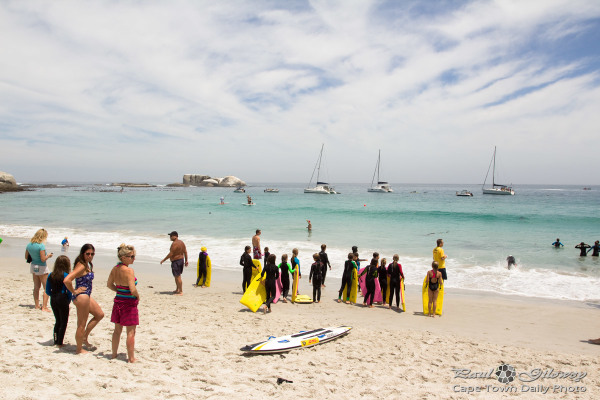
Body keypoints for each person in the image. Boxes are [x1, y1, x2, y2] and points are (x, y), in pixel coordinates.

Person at [64, 244, 104, 354]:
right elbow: (67, 280)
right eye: (88, 254)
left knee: (99, 314)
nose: (90, 256)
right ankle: (79, 349)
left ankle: (85, 337)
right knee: (81, 324)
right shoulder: (81, 265)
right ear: (83, 254)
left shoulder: (87, 264)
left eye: (92, 254)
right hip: (82, 297)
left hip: (86, 295)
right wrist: (74, 291)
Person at [107, 244, 140, 363]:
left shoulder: (115, 269)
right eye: (131, 256)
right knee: (131, 332)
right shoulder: (129, 271)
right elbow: (132, 289)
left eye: (134, 256)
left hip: (118, 301)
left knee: (117, 330)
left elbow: (109, 284)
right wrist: (137, 296)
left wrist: (119, 291)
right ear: (124, 257)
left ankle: (114, 354)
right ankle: (131, 358)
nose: (133, 258)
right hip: (129, 303)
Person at [45, 255, 72, 347]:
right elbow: (69, 291)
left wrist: (53, 295)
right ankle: (60, 343)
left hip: (53, 298)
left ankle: (55, 340)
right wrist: (68, 300)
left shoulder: (50, 275)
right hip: (62, 298)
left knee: (58, 320)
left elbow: (47, 290)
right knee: (64, 321)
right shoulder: (66, 276)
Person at [26, 228, 53, 312]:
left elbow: (26, 257)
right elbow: (42, 259)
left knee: (36, 286)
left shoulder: (29, 245)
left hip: (33, 266)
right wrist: (48, 256)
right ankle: (44, 306)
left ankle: (37, 305)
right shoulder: (41, 245)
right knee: (46, 287)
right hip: (42, 267)